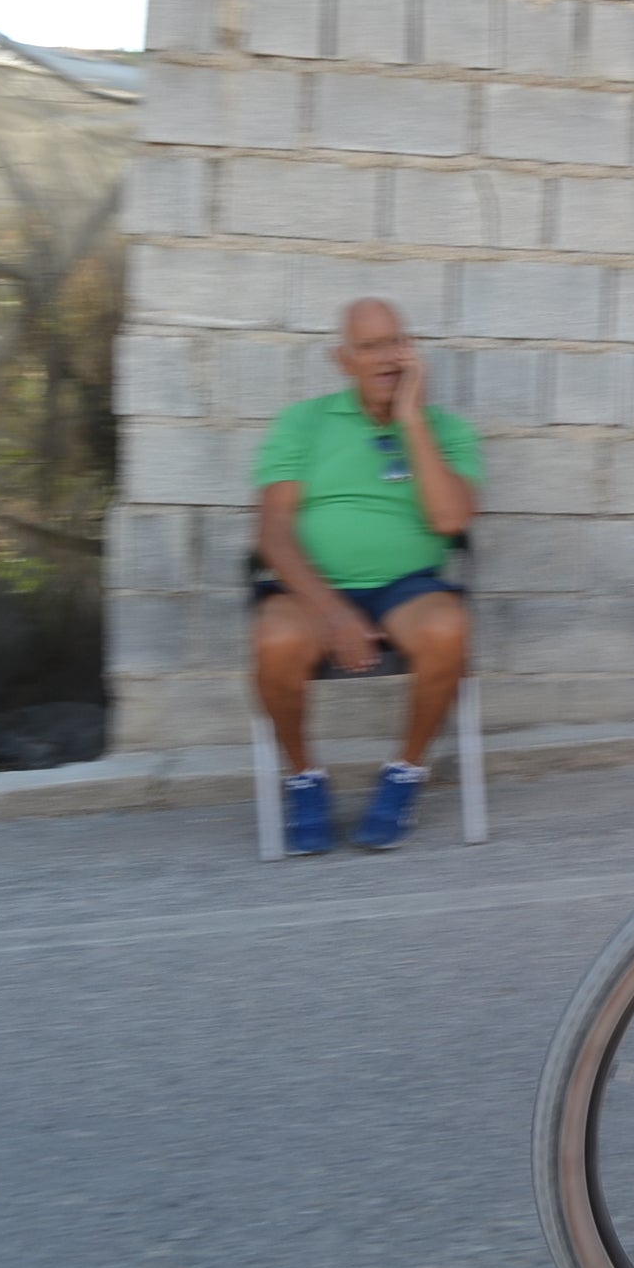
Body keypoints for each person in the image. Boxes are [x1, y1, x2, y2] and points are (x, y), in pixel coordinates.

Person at [251, 298, 482, 854]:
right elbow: (273, 534)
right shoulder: (302, 424)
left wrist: (411, 422)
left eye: (395, 343)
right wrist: (335, 612)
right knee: (276, 640)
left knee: (449, 631)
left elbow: (450, 520)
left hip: (407, 588)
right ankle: (304, 778)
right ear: (343, 359)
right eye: (369, 346)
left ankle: (404, 773)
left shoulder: (446, 430)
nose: (386, 358)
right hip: (312, 590)